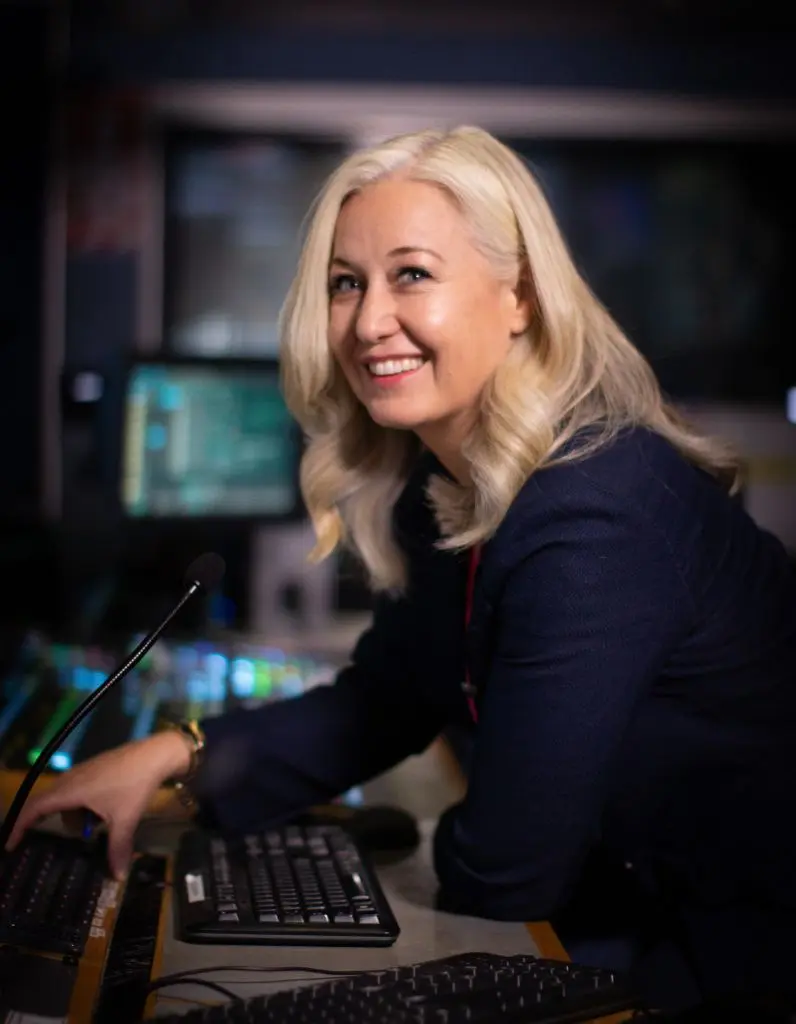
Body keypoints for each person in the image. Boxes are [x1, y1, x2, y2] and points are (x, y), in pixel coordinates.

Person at [7, 126, 796, 1010]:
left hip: (740, 945)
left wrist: (383, 856)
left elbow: (507, 870)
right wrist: (172, 754)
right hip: (646, 896)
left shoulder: (595, 508)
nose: (368, 320)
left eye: (411, 274)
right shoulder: (454, 475)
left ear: (521, 297)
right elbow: (387, 697)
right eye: (347, 283)